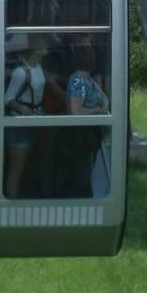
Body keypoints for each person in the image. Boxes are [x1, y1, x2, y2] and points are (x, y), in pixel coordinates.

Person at [3, 34, 49, 198]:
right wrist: (23, 109)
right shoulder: (20, 72)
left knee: (28, 166)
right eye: (44, 45)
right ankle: (10, 205)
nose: (47, 48)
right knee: (16, 169)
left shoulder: (39, 67)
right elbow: (7, 99)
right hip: (19, 125)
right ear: (35, 50)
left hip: (34, 121)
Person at [65, 45, 110, 198]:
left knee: (89, 169)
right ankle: (82, 199)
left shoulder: (88, 79)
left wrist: (104, 105)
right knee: (83, 171)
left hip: (92, 134)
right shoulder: (78, 81)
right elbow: (76, 112)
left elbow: (103, 96)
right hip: (82, 135)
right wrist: (99, 110)